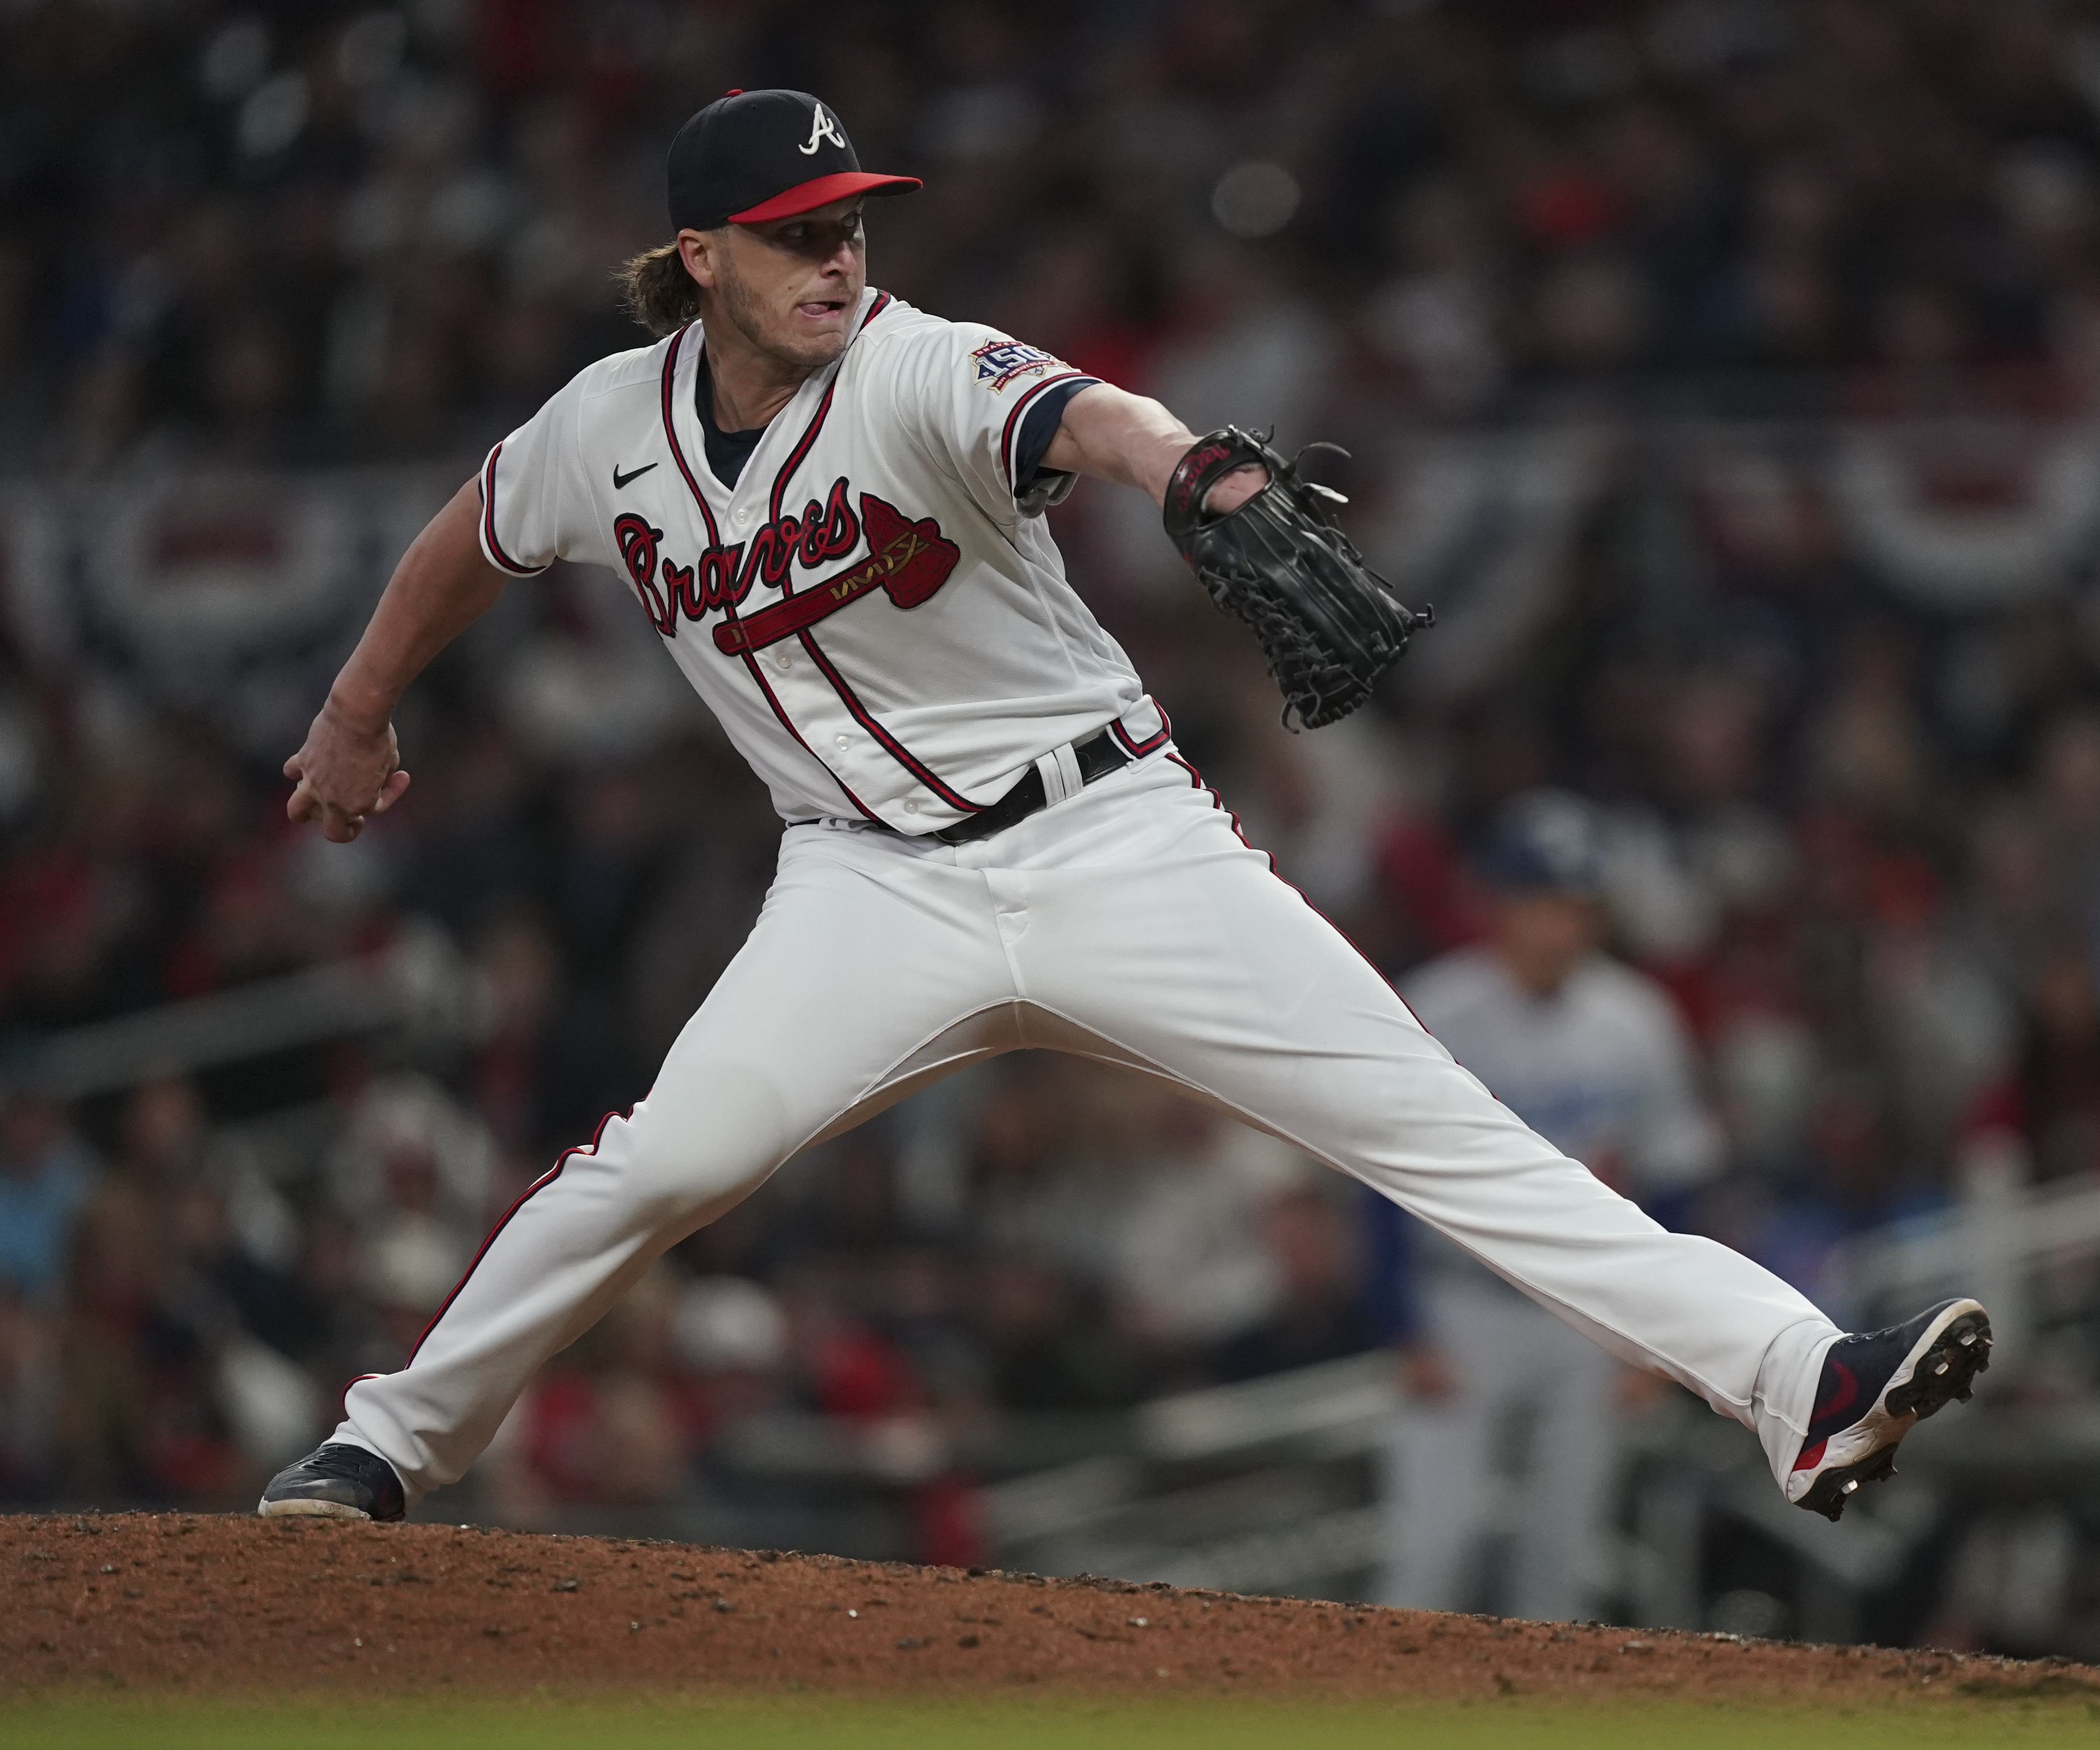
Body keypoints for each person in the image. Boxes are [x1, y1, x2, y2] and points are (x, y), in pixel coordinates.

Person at [255, 89, 1988, 1528]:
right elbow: (470, 536)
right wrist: (353, 708)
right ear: (700, 256)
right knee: (662, 1160)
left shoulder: (915, 364)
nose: (836, 255)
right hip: (868, 888)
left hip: (1114, 839)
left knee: (1446, 1135)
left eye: (851, 221)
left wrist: (1204, 471)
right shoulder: (603, 430)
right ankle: (385, 1445)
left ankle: (1801, 1380)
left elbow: (1084, 415)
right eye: (794, 230)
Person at [1370, 794, 1720, 1618]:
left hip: (1585, 1315)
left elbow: (1673, 1185)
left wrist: (1658, 1341)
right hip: (1463, 1305)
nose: (1560, 928)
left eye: (1576, 908)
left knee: (1561, 1568)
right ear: (1499, 905)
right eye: (1541, 905)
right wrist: (1401, 1326)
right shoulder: (1436, 1007)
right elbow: (1375, 1178)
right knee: (1431, 1553)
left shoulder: (1637, 1021)